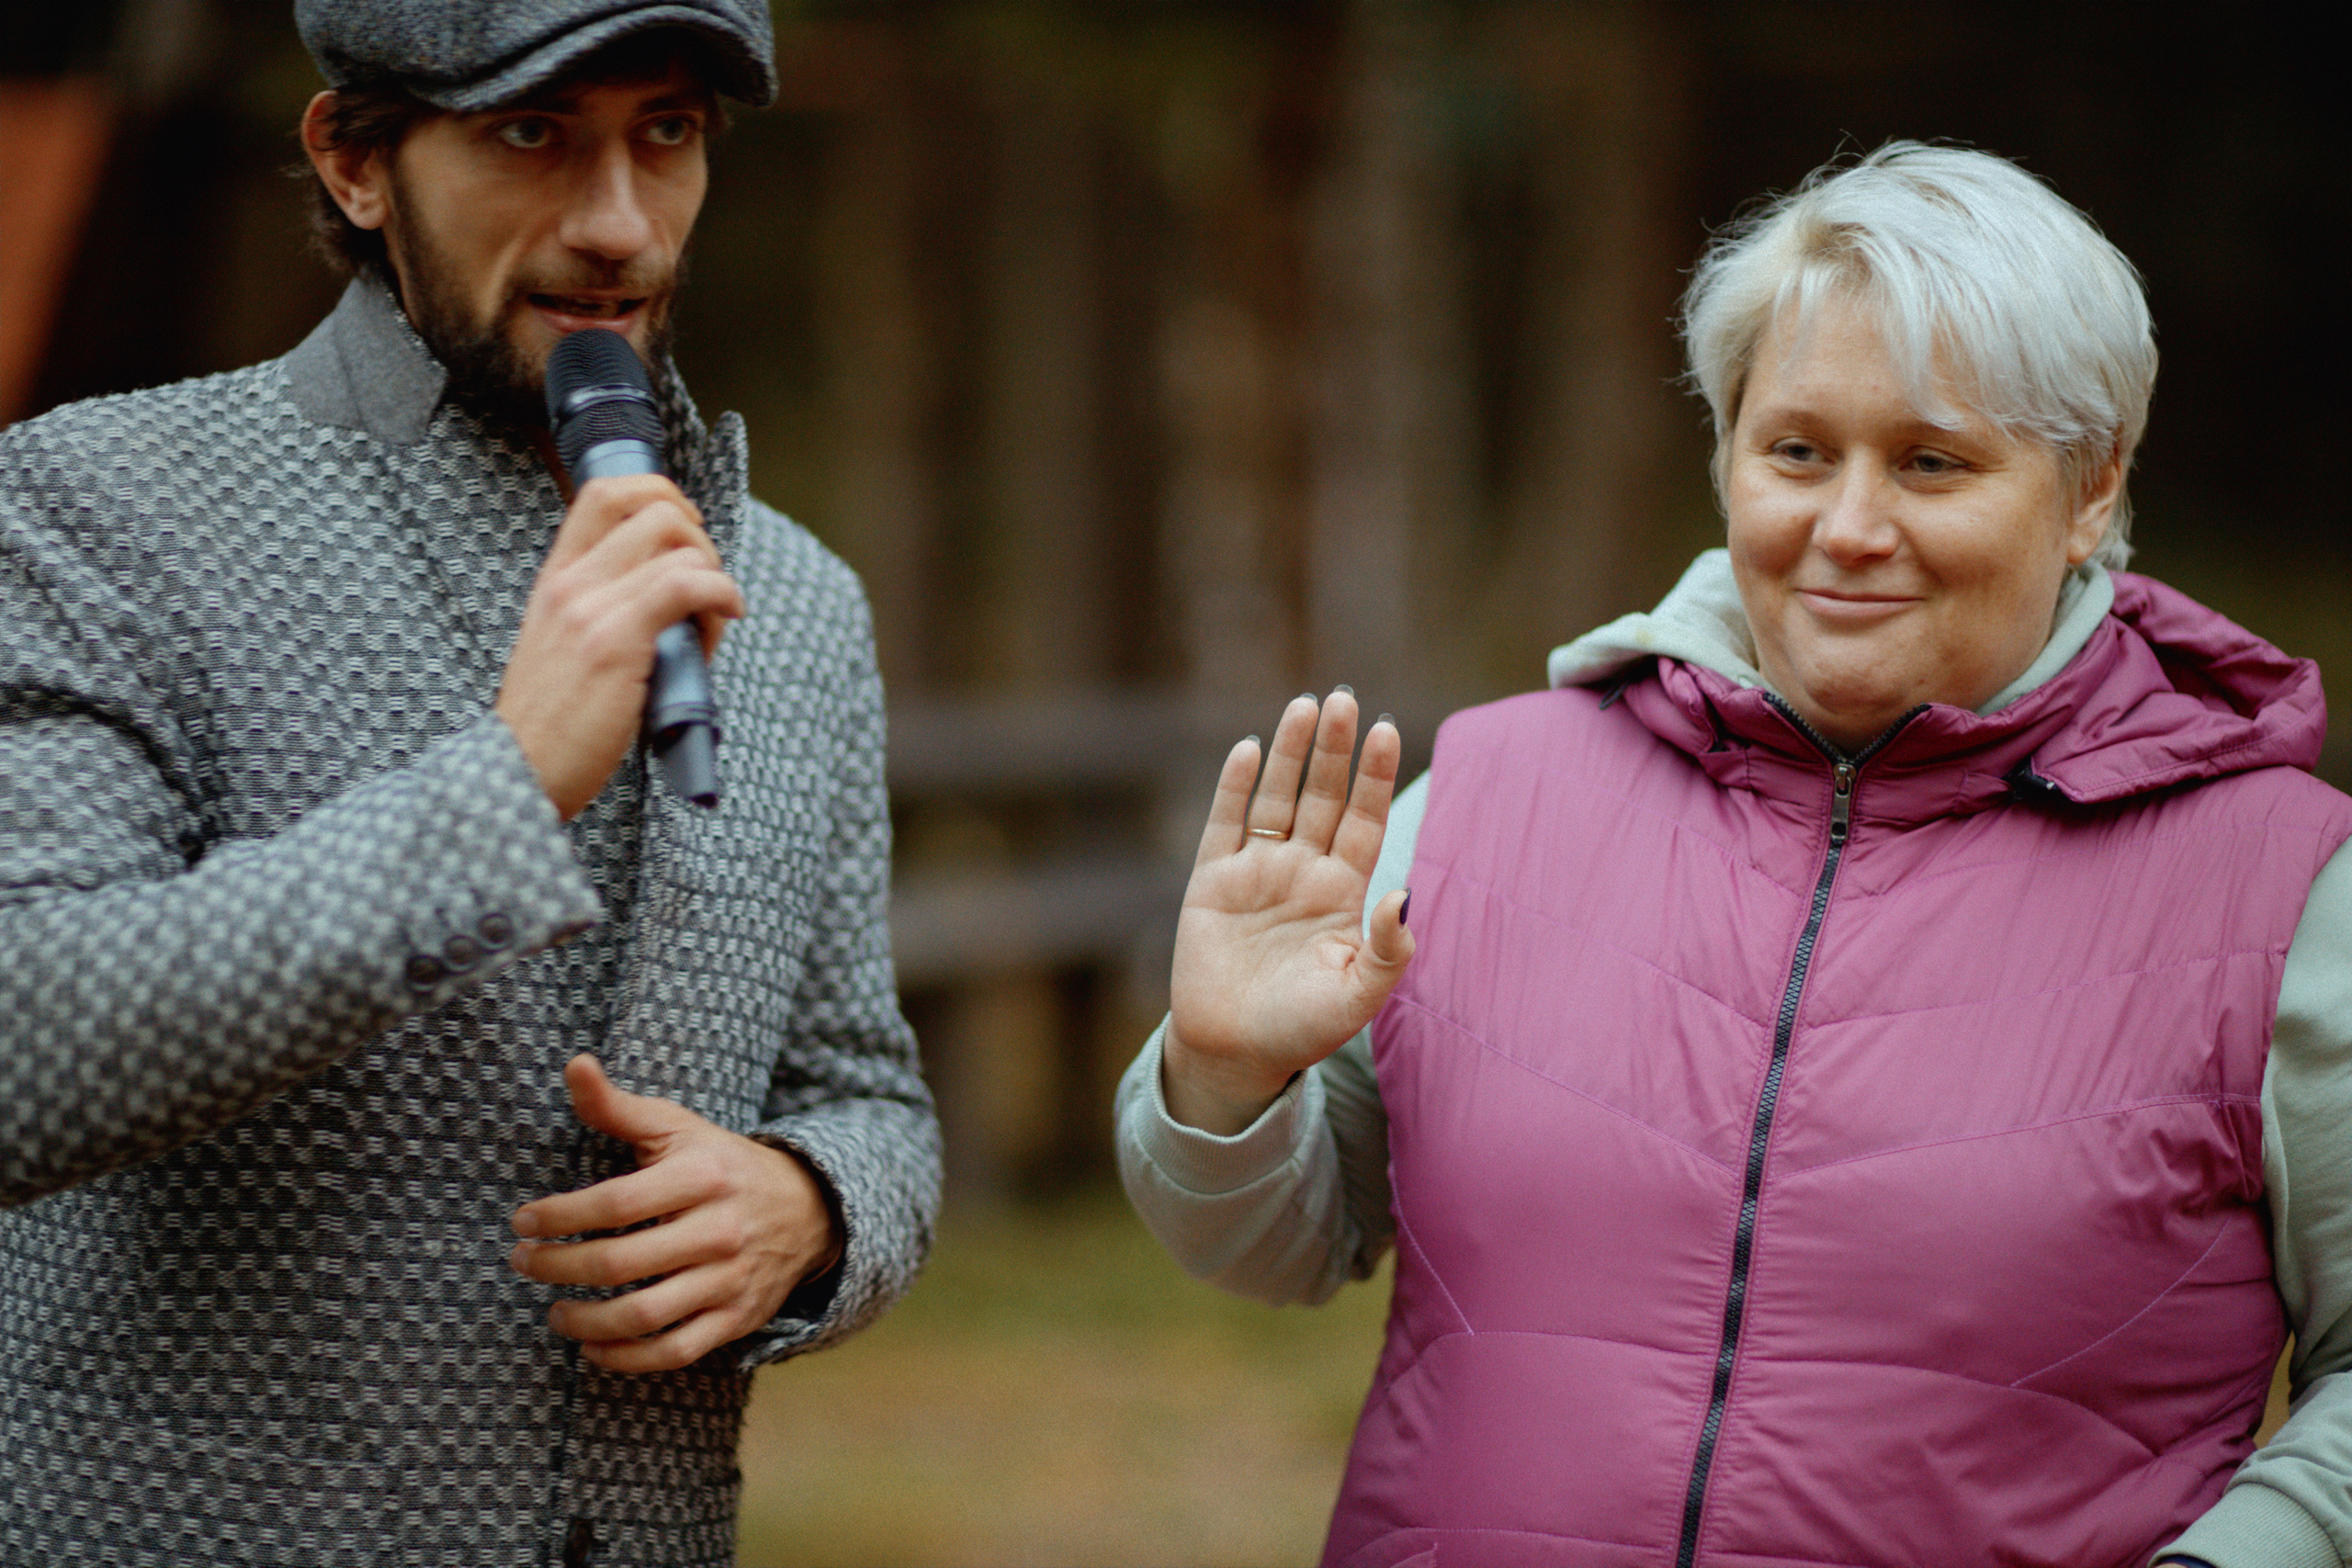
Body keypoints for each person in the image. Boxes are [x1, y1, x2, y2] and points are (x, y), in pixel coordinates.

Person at [1119, 142, 2352, 1568]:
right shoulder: (1479, 801)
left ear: (2091, 489)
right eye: (1797, 452)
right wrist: (1223, 1077)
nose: (1848, 528)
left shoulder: (2283, 891)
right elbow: (1267, 1248)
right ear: (1726, 457)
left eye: (1932, 463)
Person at [0, 2, 940, 1562]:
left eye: (668, 133)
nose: (619, 222)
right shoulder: (93, 508)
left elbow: (870, 1093)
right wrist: (501, 794)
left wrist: (813, 1208)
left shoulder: (800, 595)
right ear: (357, 162)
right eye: (531, 133)